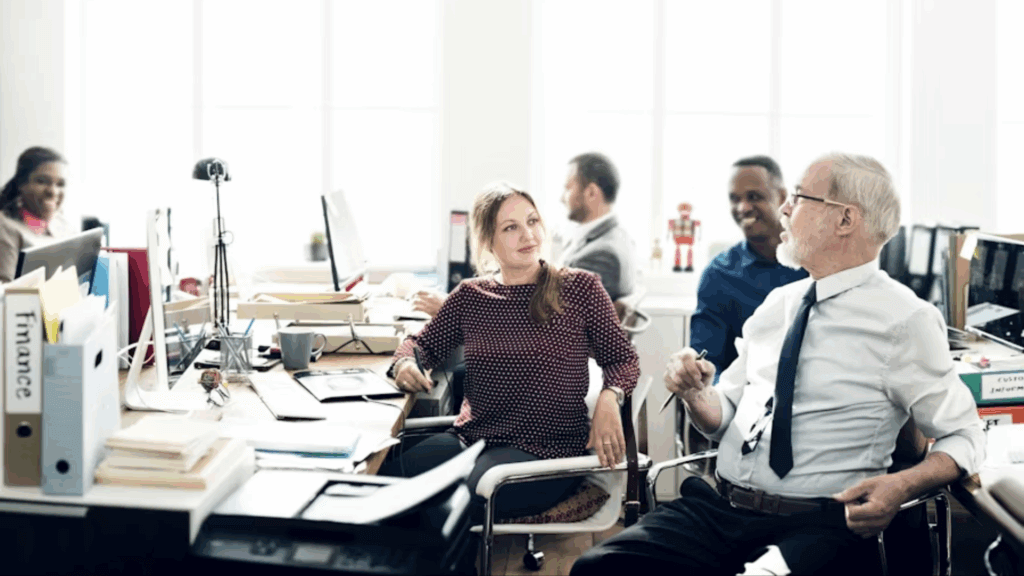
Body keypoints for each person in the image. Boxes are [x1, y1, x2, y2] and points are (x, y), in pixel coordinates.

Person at [572, 153, 985, 576]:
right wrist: (697, 394)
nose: (785, 208)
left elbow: (965, 435)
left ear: (845, 220)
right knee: (597, 568)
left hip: (819, 524)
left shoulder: (905, 319)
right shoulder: (778, 304)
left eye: (800, 198)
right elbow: (724, 413)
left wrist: (901, 486)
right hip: (723, 508)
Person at [382, 181, 640, 522]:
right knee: (379, 480)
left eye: (532, 222)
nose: (528, 236)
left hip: (548, 454)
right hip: (471, 440)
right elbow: (421, 345)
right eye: (511, 228)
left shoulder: (580, 288)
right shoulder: (470, 296)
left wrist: (611, 397)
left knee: (456, 506)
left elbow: (623, 358)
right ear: (488, 241)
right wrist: (404, 363)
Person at [410, 152, 637, 316]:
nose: (561, 198)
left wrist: (454, 311)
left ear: (591, 193)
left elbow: (549, 319)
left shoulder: (603, 254)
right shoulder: (614, 237)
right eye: (511, 227)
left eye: (568, 188)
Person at [691, 156, 807, 379]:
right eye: (735, 199)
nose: (742, 208)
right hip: (745, 401)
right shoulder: (718, 275)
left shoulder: (815, 263)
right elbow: (706, 361)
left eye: (754, 197)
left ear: (782, 197)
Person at [0, 147, 71, 283]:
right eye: (42, 181)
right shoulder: (6, 229)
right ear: (22, 183)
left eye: (60, 184)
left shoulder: (64, 225)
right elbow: (3, 291)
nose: (53, 191)